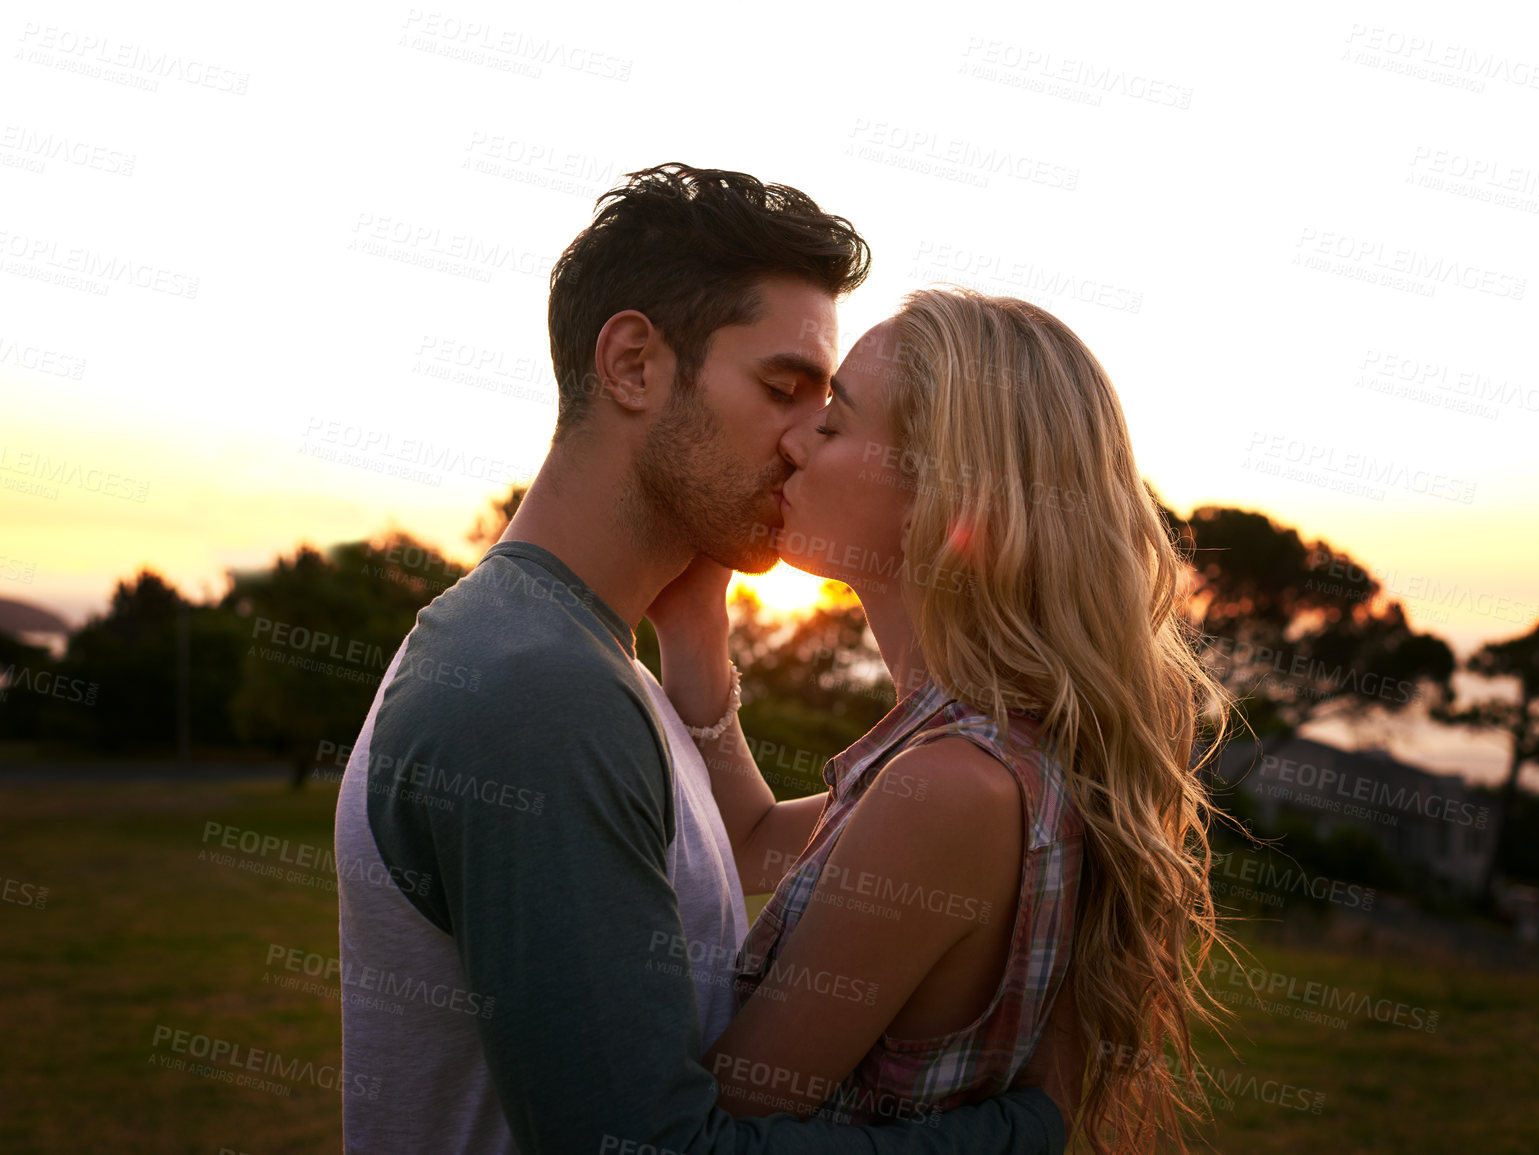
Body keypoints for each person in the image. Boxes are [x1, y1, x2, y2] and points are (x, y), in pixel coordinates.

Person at [333, 164, 1074, 1154]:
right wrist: (1023, 1133)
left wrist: (695, 638)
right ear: (636, 364)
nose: (806, 437)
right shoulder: (537, 692)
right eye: (784, 388)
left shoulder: (597, 665)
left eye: (833, 409)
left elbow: (755, 836)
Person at [648, 287, 1234, 1153]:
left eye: (835, 424)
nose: (792, 439)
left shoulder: (948, 787)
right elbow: (749, 838)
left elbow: (708, 1133)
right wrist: (695, 624)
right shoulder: (994, 755)